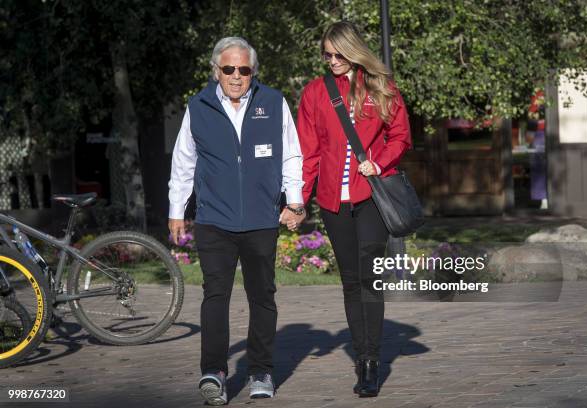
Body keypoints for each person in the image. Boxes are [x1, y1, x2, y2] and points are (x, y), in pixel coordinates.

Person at [168, 37, 305, 405]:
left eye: (244, 69)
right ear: (217, 70)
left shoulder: (273, 102)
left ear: (253, 72)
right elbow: (183, 164)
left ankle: (260, 370)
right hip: (214, 220)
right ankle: (214, 371)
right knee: (215, 296)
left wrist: (294, 201)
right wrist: (176, 211)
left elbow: (292, 155)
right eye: (229, 69)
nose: (236, 76)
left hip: (261, 219)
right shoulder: (198, 106)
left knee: (262, 296)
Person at [297, 21, 411, 397]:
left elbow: (401, 136)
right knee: (350, 281)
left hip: (371, 198)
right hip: (332, 201)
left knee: (368, 279)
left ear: (353, 50)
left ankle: (373, 362)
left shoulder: (380, 87)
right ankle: (361, 358)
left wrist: (377, 163)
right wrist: (299, 198)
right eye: (326, 55)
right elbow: (308, 152)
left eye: (338, 54)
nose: (332, 61)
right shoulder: (314, 93)